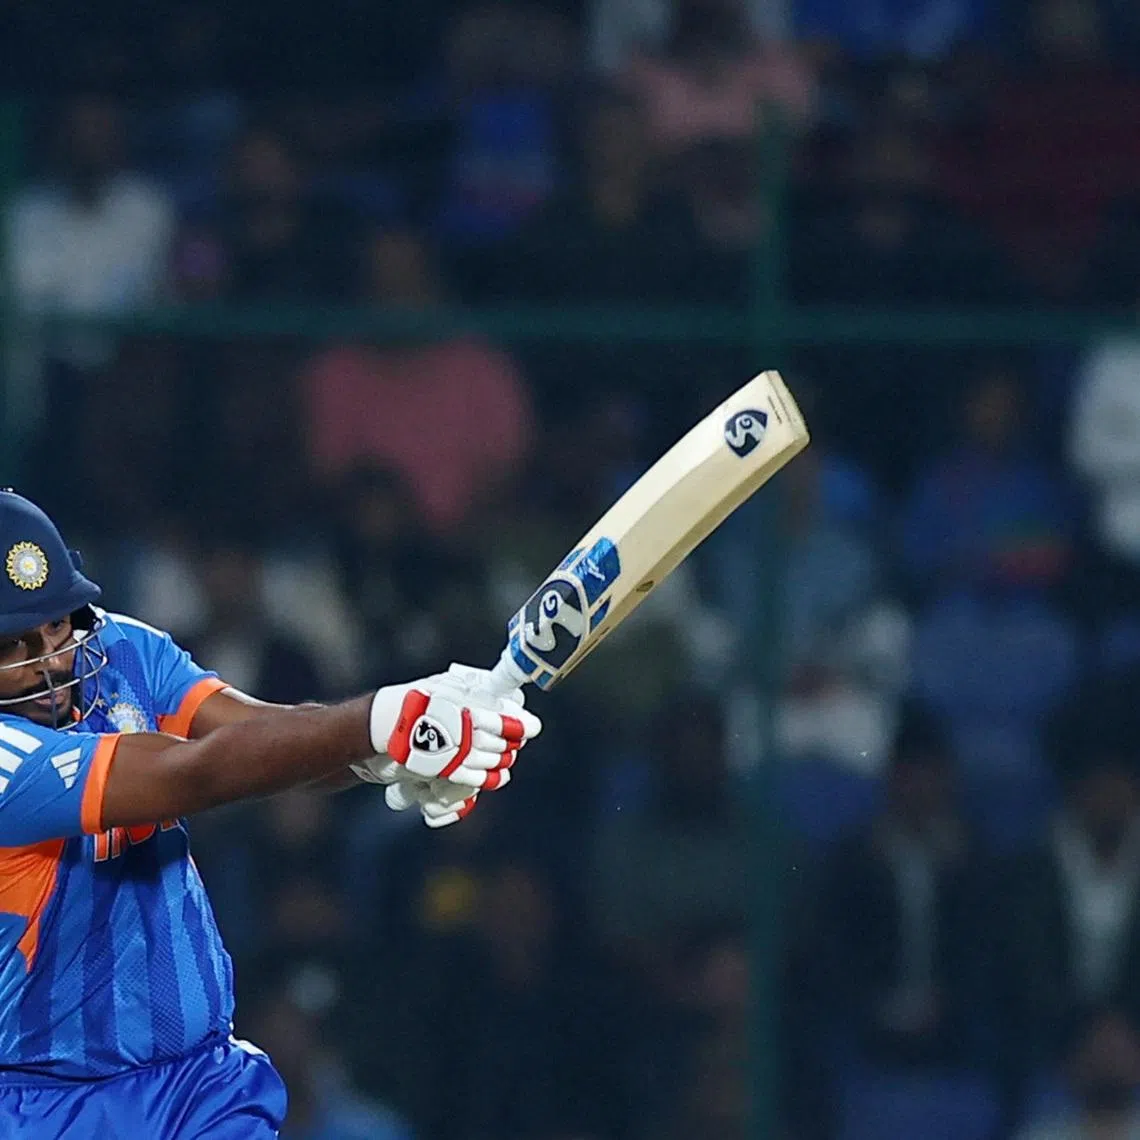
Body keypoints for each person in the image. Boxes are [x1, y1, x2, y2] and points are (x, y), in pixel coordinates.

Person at [0, 489, 541, 1137]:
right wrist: (379, 721)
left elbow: (262, 736)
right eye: (14, 645)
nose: (52, 660)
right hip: (49, 1103)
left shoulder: (122, 649)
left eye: (57, 625)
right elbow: (193, 772)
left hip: (198, 1081)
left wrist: (389, 751)